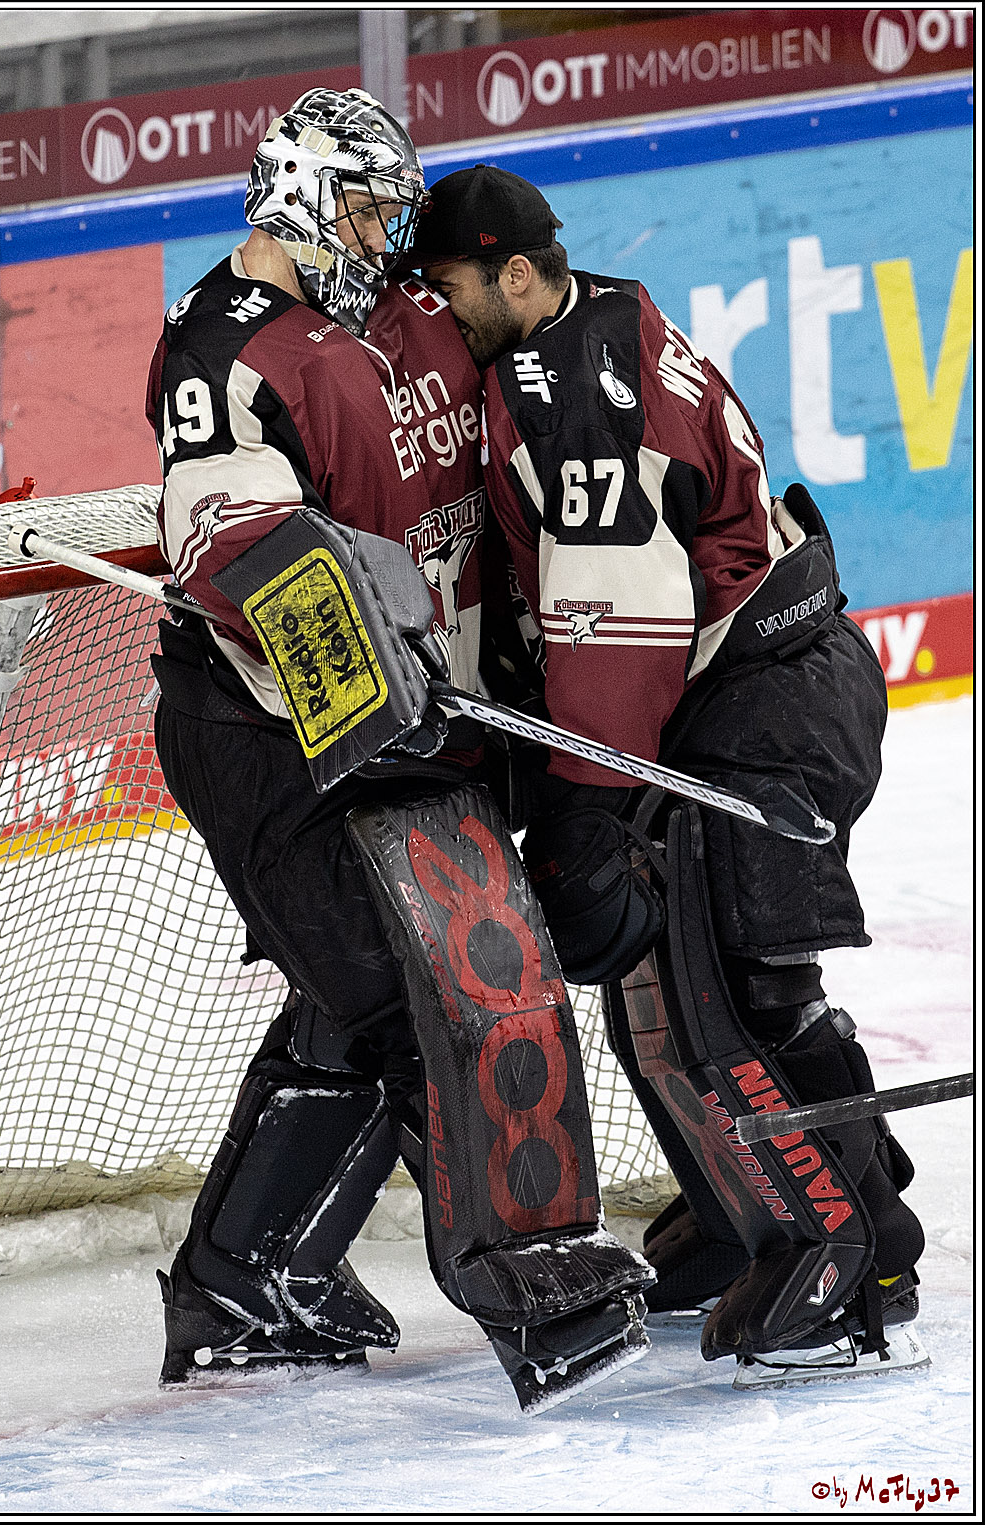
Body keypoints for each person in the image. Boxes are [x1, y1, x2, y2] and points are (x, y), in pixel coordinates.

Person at [146, 92, 651, 1410]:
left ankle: (251, 1274)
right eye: (367, 209)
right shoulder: (224, 351)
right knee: (415, 995)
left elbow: (547, 334)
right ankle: (541, 1291)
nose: (391, 234)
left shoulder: (415, 309)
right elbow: (230, 547)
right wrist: (369, 636)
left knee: (360, 994)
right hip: (273, 730)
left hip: (435, 711)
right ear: (300, 196)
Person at [409, 164, 926, 1384]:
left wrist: (588, 813)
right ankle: (750, 1197)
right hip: (754, 690)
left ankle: (841, 1247)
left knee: (724, 997)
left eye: (451, 286)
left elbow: (619, 630)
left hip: (762, 705)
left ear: (516, 275)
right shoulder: (595, 318)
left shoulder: (566, 394)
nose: (440, 308)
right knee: (667, 992)